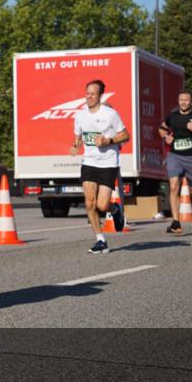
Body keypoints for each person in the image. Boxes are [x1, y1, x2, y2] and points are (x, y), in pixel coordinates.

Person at [69, 80, 129, 253]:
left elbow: (125, 135)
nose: (89, 96)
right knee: (90, 203)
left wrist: (108, 140)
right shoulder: (80, 116)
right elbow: (78, 137)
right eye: (87, 93)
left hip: (108, 163)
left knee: (103, 206)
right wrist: (75, 146)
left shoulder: (110, 114)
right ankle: (100, 239)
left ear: (100, 96)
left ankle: (115, 209)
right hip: (89, 162)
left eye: (93, 93)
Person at [158, 89, 192, 235]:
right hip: (175, 156)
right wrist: (166, 137)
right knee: (174, 185)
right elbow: (161, 128)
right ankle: (176, 222)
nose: (183, 102)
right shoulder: (172, 116)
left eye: (186, 100)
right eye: (181, 99)